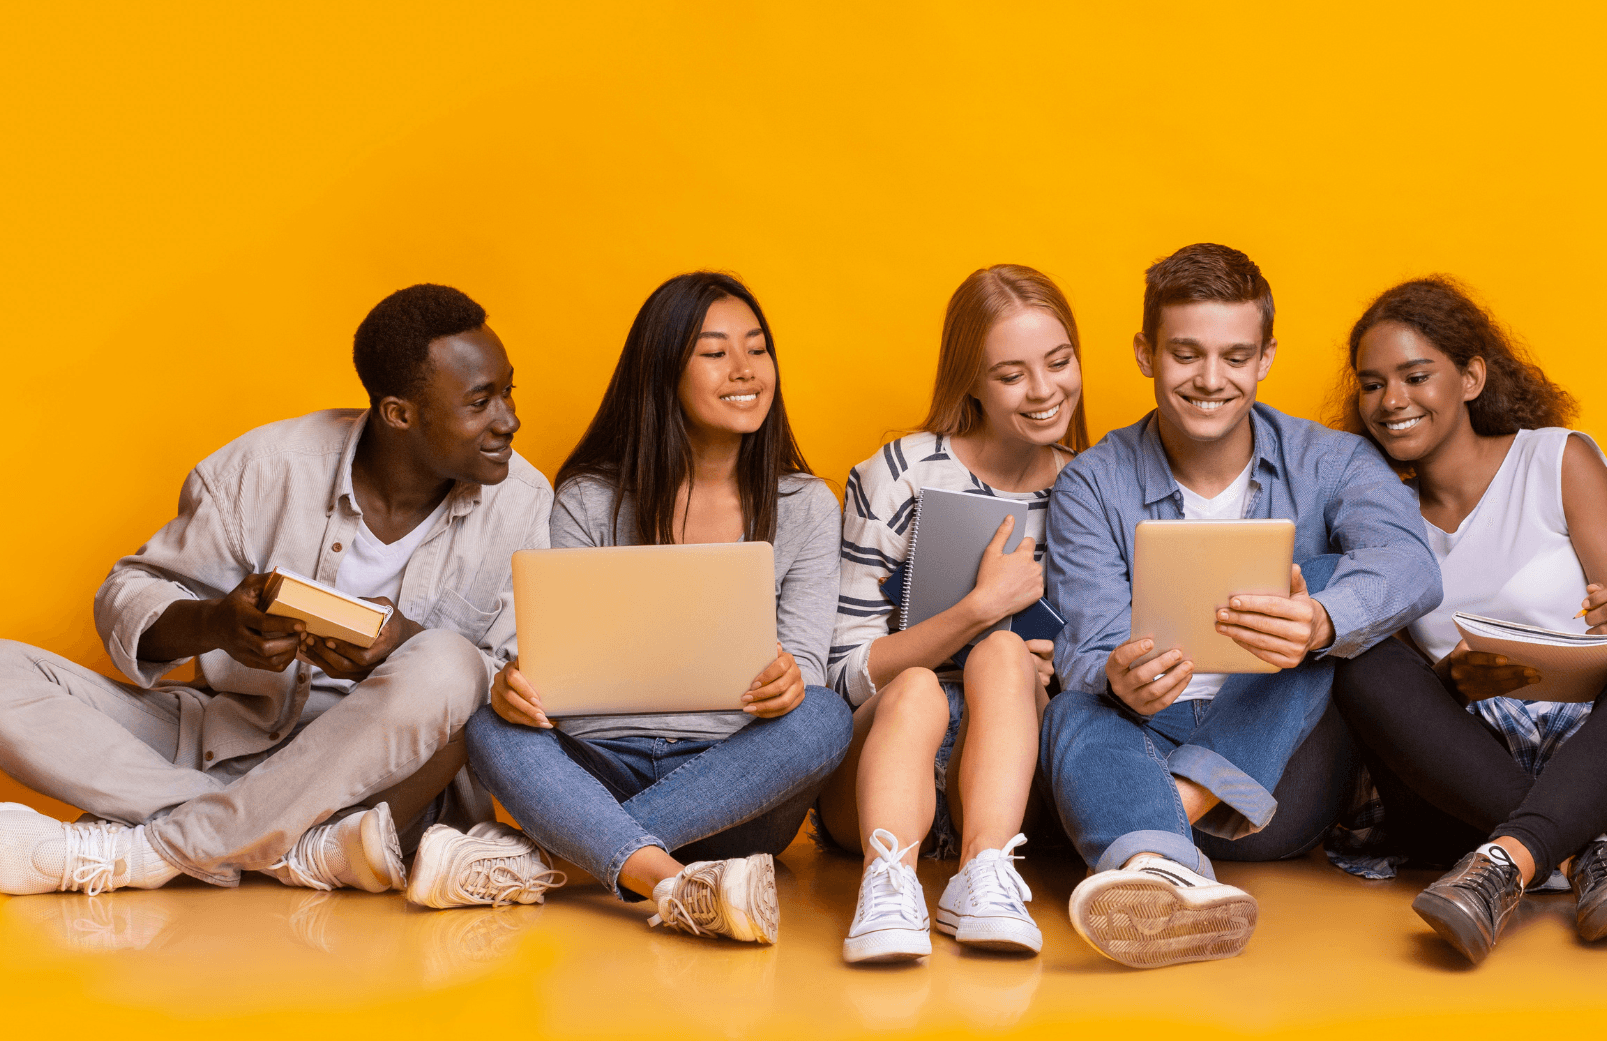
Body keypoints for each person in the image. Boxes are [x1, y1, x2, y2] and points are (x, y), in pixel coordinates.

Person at [0, 284, 554, 896]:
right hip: (228, 741)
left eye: (508, 391)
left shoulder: (524, 503)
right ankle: (292, 848)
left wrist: (402, 641)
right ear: (399, 413)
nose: (509, 419)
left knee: (450, 663)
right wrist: (216, 625)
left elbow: (516, 685)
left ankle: (160, 847)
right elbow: (129, 592)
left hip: (384, 779)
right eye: (481, 402)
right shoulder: (265, 467)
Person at [1327, 276, 1607, 963]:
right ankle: (1576, 853)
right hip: (1466, 800)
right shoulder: (1379, 517)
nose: (1392, 402)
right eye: (1373, 384)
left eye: (1416, 376)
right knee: (1362, 667)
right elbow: (1407, 704)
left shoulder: (1557, 458)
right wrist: (1450, 681)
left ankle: (1510, 862)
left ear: (1471, 376)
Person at [1040, 243, 1442, 969]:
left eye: (1234, 356)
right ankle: (1166, 875)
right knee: (1074, 704)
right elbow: (1088, 644)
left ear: (1265, 358)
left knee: (1320, 584)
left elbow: (1410, 565)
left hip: (1279, 778)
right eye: (1186, 354)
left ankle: (1167, 821)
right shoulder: (1092, 483)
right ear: (1145, 353)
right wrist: (1115, 672)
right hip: (1142, 732)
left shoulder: (1335, 461)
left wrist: (1320, 621)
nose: (1210, 379)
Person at [443, 271, 853, 944]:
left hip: (738, 778)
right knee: (489, 722)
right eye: (716, 352)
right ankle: (668, 879)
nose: (746, 370)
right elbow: (552, 657)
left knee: (828, 714)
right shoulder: (589, 499)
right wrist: (517, 687)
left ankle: (554, 857)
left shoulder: (806, 505)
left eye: (757, 348)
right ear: (663, 373)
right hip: (598, 761)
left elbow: (805, 662)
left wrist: (787, 682)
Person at [819, 265, 1089, 963]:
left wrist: (1068, 668)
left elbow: (1112, 676)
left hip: (1008, 777)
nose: (1043, 390)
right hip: (882, 764)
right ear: (969, 381)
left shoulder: (1090, 486)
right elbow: (844, 675)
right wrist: (979, 608)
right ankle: (890, 886)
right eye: (1011, 374)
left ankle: (985, 876)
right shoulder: (899, 475)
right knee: (917, 687)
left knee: (1004, 659)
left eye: (1059, 363)